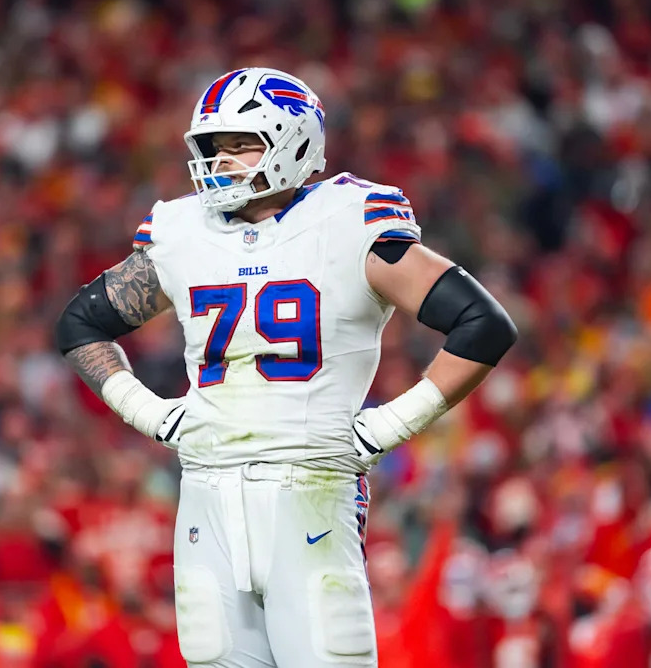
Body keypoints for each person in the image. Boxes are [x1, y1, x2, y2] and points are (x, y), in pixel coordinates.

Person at [55, 67, 517, 667]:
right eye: (215, 148)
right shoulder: (182, 232)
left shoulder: (350, 220)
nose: (222, 162)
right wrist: (152, 415)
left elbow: (483, 325)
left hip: (311, 490)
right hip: (206, 494)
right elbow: (80, 324)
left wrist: (386, 427)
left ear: (295, 142)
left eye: (241, 144)